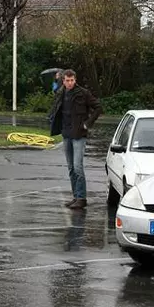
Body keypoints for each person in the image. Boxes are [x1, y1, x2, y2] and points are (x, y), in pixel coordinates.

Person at [48, 69, 102, 209]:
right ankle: (75, 196)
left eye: (72, 80)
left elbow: (98, 108)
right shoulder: (61, 92)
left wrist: (87, 123)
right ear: (64, 81)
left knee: (78, 167)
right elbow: (56, 107)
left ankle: (82, 198)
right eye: (67, 80)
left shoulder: (83, 93)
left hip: (79, 134)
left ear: (75, 80)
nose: (70, 83)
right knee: (71, 168)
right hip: (66, 134)